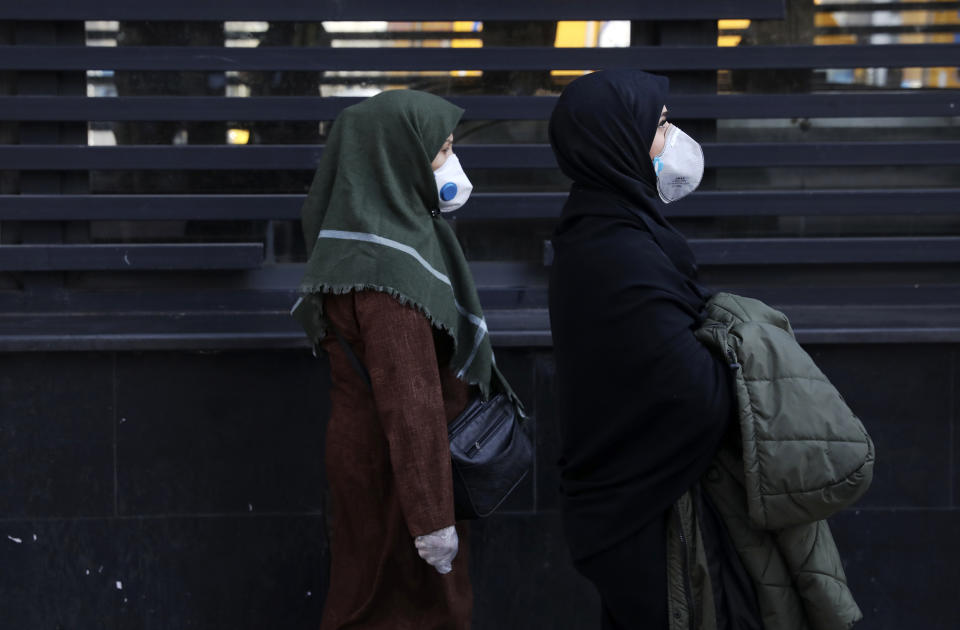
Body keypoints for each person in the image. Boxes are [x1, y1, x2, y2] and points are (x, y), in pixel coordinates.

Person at [292, 90, 518, 630]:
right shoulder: (388, 272)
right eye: (440, 151)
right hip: (399, 477)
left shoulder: (356, 243)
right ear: (396, 158)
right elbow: (411, 401)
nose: (452, 164)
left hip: (373, 463)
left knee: (365, 593)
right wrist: (432, 521)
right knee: (405, 609)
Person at [547, 70, 760, 629]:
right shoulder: (618, 253)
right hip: (639, 515)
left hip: (626, 506)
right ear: (618, 139)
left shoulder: (602, 227)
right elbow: (695, 395)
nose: (675, 138)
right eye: (661, 125)